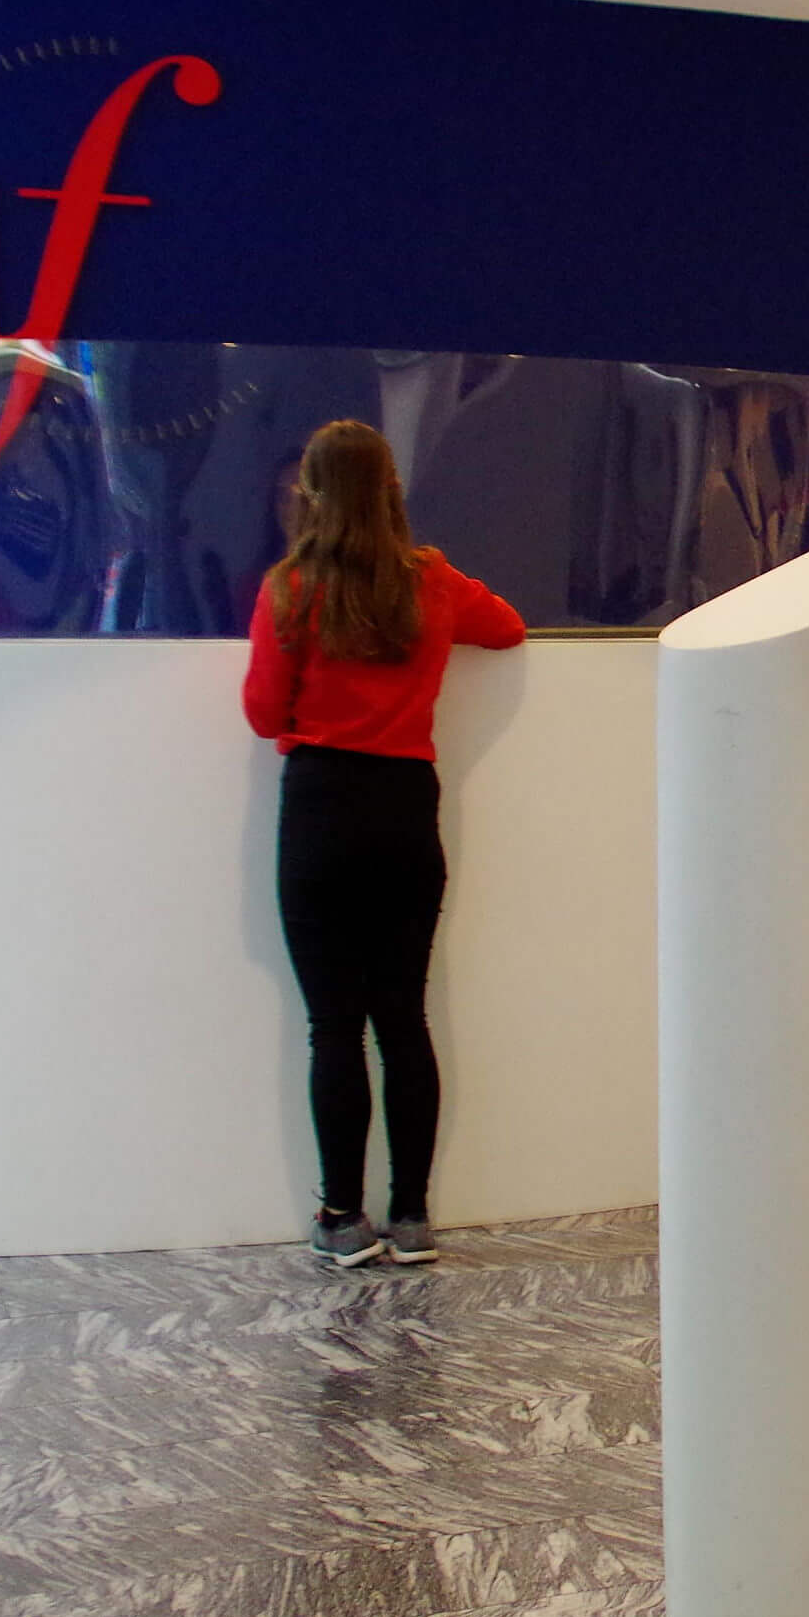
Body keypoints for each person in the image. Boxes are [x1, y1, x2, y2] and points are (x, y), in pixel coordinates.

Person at [242, 420, 525, 1268]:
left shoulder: (291, 588)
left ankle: (339, 1218)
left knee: (334, 1024)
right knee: (402, 1016)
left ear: (312, 493)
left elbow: (261, 714)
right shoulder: (428, 581)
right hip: (406, 808)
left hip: (322, 805)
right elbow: (506, 628)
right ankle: (409, 1217)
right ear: (392, 491)